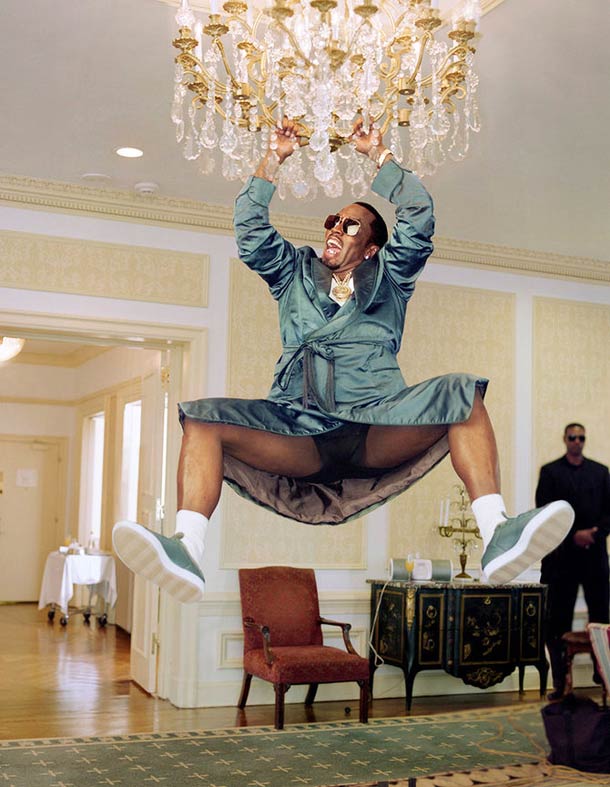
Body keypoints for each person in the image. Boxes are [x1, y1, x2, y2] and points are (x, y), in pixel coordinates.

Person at [113, 119, 574, 603]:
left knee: (462, 393)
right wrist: (274, 158)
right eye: (333, 220)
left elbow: (419, 214)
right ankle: (187, 548)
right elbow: (250, 233)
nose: (335, 227)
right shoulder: (294, 271)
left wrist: (379, 155)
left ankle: (497, 532)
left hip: (375, 424)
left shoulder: (391, 277)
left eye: (350, 223)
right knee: (203, 420)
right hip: (300, 427)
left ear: (371, 248)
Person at [536, 423, 610, 700]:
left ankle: (602, 675)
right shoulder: (550, 472)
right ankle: (560, 682)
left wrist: (593, 534)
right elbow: (545, 513)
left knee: (601, 617)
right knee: (557, 620)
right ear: (565, 439)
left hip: (594, 556)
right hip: (562, 558)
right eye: (572, 437)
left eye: (581, 438)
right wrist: (573, 536)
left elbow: (609, 512)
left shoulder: (601, 472)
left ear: (584, 440)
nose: (577, 441)